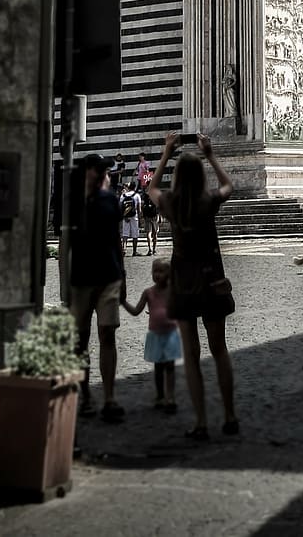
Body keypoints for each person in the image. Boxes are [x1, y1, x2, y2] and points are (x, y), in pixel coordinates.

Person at [148, 132, 238, 439]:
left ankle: (201, 421)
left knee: (192, 354)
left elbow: (151, 188)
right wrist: (211, 155)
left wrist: (165, 153)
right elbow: (229, 186)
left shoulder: (172, 203)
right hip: (212, 282)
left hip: (184, 287)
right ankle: (229, 415)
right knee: (220, 350)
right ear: (200, 177)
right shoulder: (207, 201)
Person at [69, 152, 126, 423]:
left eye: (104, 171)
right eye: (99, 170)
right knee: (81, 340)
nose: (104, 175)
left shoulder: (109, 200)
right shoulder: (73, 201)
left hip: (107, 276)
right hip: (81, 278)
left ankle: (109, 397)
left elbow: (117, 240)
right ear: (86, 172)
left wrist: (123, 276)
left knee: (106, 335)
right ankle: (86, 395)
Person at [123, 257, 181, 412]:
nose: (157, 274)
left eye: (161, 271)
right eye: (155, 271)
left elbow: (181, 307)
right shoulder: (148, 292)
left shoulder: (173, 291)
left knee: (170, 366)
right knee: (158, 367)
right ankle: (160, 396)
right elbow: (136, 311)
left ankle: (171, 396)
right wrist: (123, 302)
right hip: (155, 335)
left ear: (169, 273)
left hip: (171, 334)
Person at [120, 181, 142, 257]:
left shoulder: (123, 195)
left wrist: (124, 216)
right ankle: (134, 251)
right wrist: (139, 219)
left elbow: (121, 207)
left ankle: (124, 249)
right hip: (134, 217)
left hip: (125, 217)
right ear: (135, 187)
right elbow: (139, 209)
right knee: (135, 235)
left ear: (128, 187)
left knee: (125, 234)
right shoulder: (137, 195)